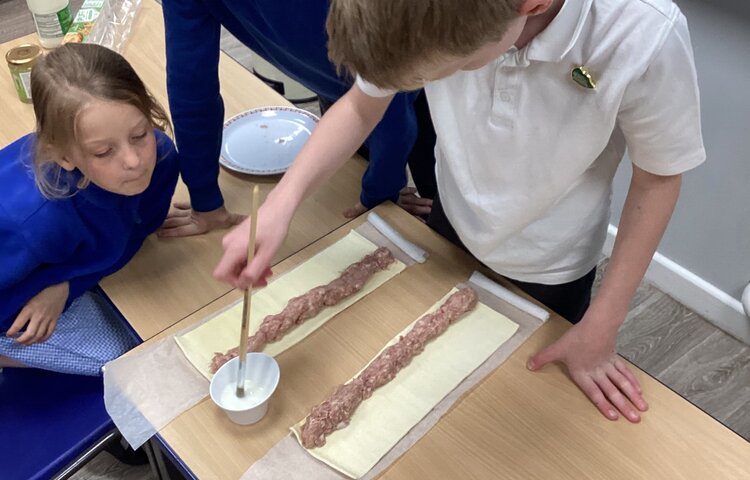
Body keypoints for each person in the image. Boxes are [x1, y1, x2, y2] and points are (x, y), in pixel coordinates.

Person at [214, 0, 705, 423]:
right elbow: (363, 105)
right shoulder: (431, 18)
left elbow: (659, 177)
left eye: (442, 74)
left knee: (510, 408)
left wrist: (604, 322)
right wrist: (283, 201)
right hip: (450, 225)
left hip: (550, 262)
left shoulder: (643, 33)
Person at [158, 0, 435, 238]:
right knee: (356, 178)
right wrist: (204, 198)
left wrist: (381, 190)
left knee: (446, 216)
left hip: (432, 69)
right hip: (348, 83)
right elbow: (191, 86)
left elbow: (389, 96)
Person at [0, 43, 179, 376]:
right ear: (64, 156)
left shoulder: (163, 158)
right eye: (103, 152)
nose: (134, 161)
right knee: (124, 357)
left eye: (140, 134)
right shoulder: (34, 222)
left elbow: (130, 239)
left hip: (51, 268)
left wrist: (67, 283)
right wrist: (56, 286)